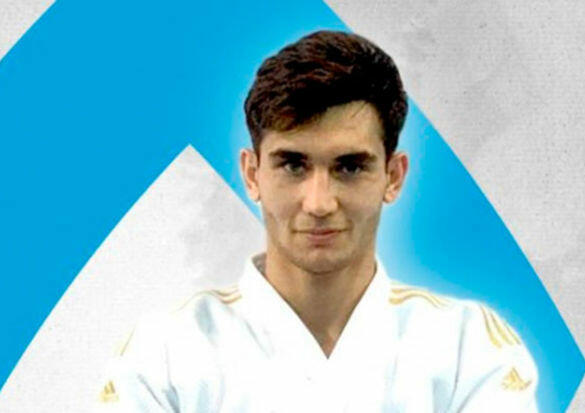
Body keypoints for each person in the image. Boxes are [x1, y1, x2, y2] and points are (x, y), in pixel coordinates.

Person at [96, 30, 539, 412]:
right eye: (293, 165)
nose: (319, 202)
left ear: (393, 176)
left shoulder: (468, 350)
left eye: (350, 166)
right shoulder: (165, 354)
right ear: (252, 174)